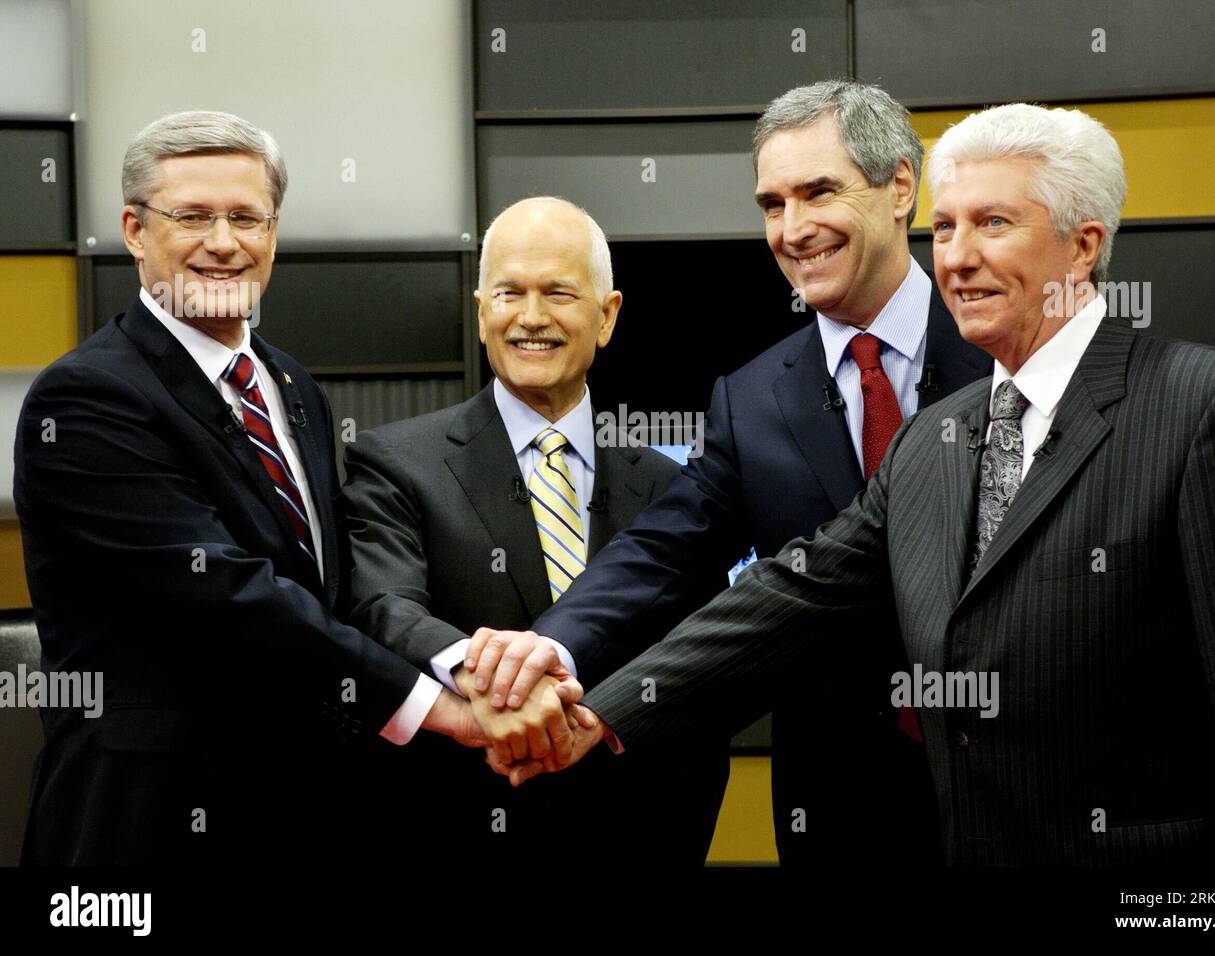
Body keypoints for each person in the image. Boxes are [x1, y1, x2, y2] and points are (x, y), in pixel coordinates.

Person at [505, 103, 1215, 866]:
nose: (955, 256)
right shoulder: (936, 440)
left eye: (993, 224)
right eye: (946, 227)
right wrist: (596, 710)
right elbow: (790, 594)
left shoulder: (1208, 412)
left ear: (1083, 245)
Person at [465, 81, 990, 866]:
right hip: (842, 810)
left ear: (901, 188)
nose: (794, 228)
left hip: (1018, 779)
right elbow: (666, 551)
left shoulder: (1002, 340)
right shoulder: (750, 400)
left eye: (818, 192)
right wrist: (552, 650)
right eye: (772, 204)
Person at [15, 111, 484, 866]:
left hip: (299, 814)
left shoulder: (291, 384)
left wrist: (464, 660)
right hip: (150, 825)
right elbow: (231, 599)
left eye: (247, 218)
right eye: (193, 217)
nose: (225, 244)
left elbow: (336, 584)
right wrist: (437, 709)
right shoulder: (86, 402)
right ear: (135, 231)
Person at [343, 197, 729, 864]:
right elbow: (383, 609)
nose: (531, 317)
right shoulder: (395, 464)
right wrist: (490, 676)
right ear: (480, 311)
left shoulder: (671, 489)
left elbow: (705, 670)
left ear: (607, 316)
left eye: (557, 293)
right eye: (509, 293)